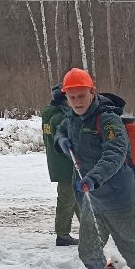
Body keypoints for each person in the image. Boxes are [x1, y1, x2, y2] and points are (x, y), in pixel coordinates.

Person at [53, 68, 135, 269]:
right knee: (88, 251)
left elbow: (115, 153)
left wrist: (94, 178)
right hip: (91, 198)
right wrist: (60, 139)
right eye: (71, 98)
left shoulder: (107, 119)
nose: (77, 102)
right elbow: (62, 128)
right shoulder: (72, 117)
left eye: (81, 96)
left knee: (131, 251)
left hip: (116, 197)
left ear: (92, 92)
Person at [41, 84, 80, 246]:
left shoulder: (49, 115)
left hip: (60, 164)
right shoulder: (60, 118)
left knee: (77, 199)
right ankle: (62, 235)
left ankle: (91, 229)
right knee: (67, 201)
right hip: (67, 166)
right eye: (70, 97)